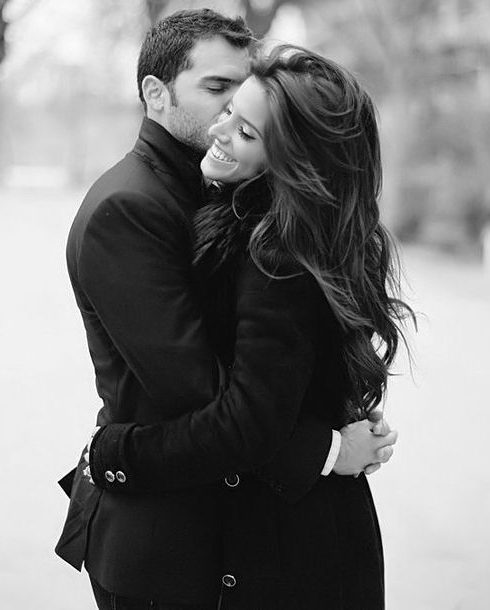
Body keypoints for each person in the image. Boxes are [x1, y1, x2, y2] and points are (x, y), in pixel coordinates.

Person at [55, 10, 398, 610]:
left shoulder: (250, 204)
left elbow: (286, 350)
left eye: (239, 100)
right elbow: (201, 390)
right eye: (217, 90)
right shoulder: (130, 207)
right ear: (156, 94)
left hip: (253, 535)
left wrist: (338, 404)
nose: (224, 117)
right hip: (168, 542)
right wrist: (329, 449)